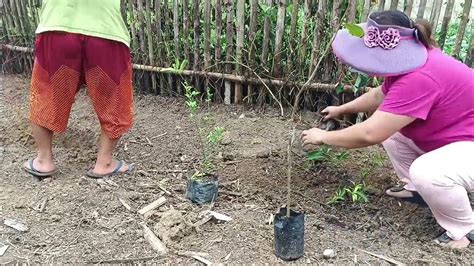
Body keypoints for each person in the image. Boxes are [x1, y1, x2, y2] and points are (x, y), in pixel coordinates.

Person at [302, 10, 474, 249]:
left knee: (428, 171)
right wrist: (341, 109)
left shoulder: (419, 77)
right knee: (395, 135)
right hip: (458, 138)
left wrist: (323, 137)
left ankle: (464, 229)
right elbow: (380, 95)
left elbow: (370, 133)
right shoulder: (411, 62)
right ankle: (417, 189)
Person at [23, 0, 133, 178]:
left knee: (46, 94)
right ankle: (104, 162)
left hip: (57, 24)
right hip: (105, 28)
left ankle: (43, 160)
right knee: (115, 99)